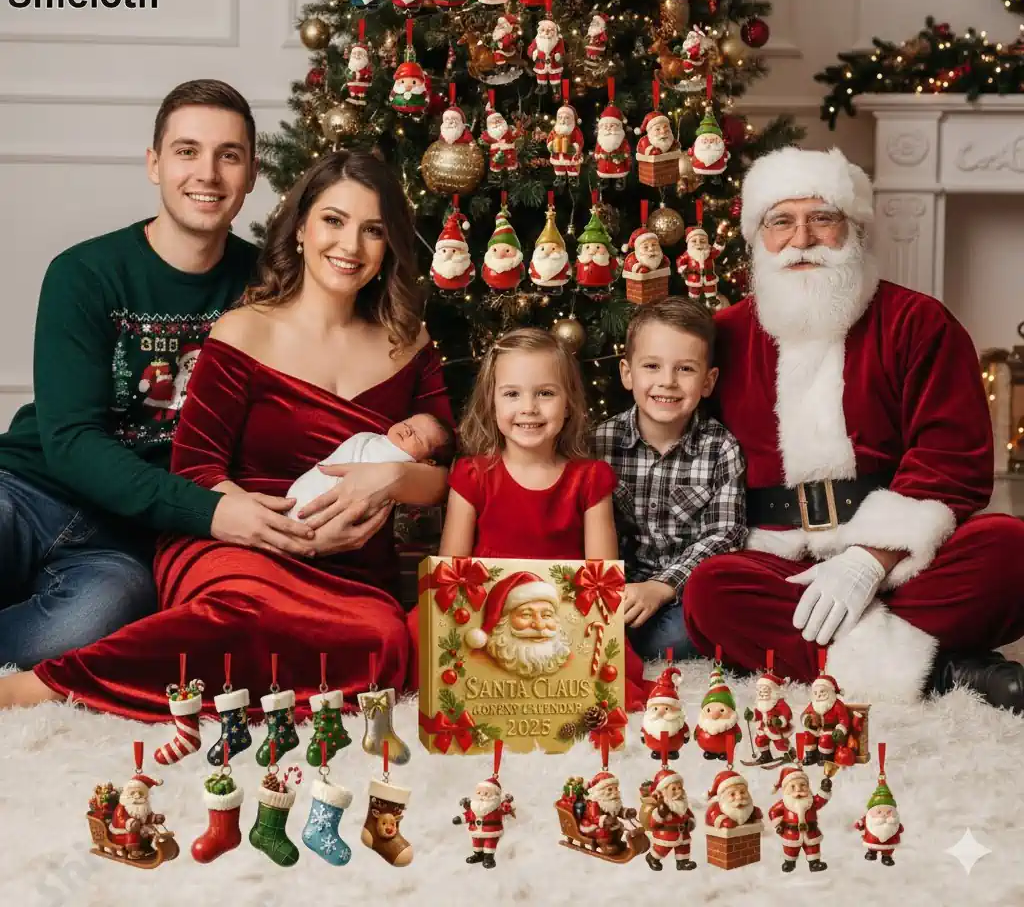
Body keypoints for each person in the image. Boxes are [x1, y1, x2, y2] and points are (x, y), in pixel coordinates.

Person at [0, 150, 452, 712]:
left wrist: (390, 479)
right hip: (235, 537)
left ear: (390, 246)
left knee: (379, 647)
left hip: (353, 562)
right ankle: (39, 687)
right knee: (238, 620)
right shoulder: (244, 329)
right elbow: (196, 468)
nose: (350, 246)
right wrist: (286, 533)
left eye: (373, 230)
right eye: (333, 221)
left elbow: (448, 479)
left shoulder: (409, 345)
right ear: (303, 227)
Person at [683, 146, 1024, 711]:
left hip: (907, 559)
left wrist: (869, 561)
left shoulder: (918, 322)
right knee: (711, 593)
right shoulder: (722, 335)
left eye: (822, 217)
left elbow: (952, 459)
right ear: (756, 238)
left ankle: (835, 660)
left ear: (854, 230)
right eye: (780, 221)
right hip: (781, 561)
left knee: (1011, 548)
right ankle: (946, 671)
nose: (802, 239)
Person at [0, 79, 305, 669]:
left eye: (230, 155)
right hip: (31, 489)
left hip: (127, 541)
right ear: (154, 164)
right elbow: (69, 443)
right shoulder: (84, 273)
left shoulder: (272, 289)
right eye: (187, 151)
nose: (208, 174)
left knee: (97, 622)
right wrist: (213, 512)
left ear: (252, 174)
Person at [410, 327, 648, 709]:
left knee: (599, 660)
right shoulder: (472, 475)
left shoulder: (589, 478)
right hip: (487, 616)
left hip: (560, 618)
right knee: (421, 626)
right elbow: (451, 572)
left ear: (569, 403)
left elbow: (602, 578)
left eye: (545, 393)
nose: (529, 408)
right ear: (491, 403)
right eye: (512, 394)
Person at [593, 298, 747, 661]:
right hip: (615, 589)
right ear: (627, 373)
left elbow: (726, 534)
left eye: (685, 369)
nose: (667, 382)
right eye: (651, 366)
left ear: (708, 382)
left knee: (682, 634)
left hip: (681, 593)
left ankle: (636, 643)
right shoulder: (598, 443)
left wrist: (662, 585)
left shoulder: (720, 448)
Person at [286, 412, 453, 519]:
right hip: (305, 488)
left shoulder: (404, 463)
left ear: (428, 462)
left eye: (417, 436)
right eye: (407, 423)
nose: (407, 430)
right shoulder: (369, 439)